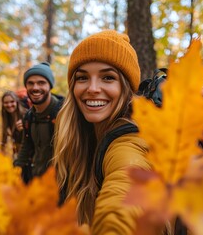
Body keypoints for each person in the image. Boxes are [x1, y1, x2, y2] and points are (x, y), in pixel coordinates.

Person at [53, 30, 154, 235]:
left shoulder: (130, 141)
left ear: (125, 87)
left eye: (108, 77)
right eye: (82, 78)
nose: (92, 88)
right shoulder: (85, 137)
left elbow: (127, 187)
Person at [13, 62, 64, 184]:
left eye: (41, 83)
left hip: (61, 184)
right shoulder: (29, 116)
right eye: (30, 83)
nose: (35, 87)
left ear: (50, 86)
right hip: (35, 180)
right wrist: (14, 171)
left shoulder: (64, 113)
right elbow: (27, 146)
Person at [1, 90, 26, 159]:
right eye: (6, 102)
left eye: (12, 101)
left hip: (27, 154)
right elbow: (4, 138)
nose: (9, 105)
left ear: (17, 102)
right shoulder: (6, 117)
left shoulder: (25, 115)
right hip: (17, 153)